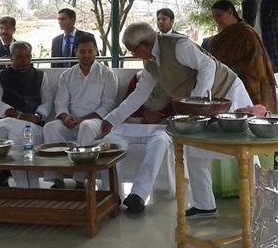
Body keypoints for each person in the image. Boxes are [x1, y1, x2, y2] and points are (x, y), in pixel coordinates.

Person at [101, 23, 253, 219]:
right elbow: (139, 95)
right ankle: (205, 206)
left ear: (145, 44)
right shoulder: (150, 63)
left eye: (133, 50)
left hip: (229, 92)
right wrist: (111, 120)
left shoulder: (178, 46)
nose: (133, 55)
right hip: (205, 104)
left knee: (245, 147)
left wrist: (196, 101)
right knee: (194, 148)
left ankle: (258, 197)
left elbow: (207, 65)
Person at [43, 34, 117, 188]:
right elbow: (60, 102)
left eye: (90, 51)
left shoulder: (107, 74)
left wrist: (82, 119)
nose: (86, 55)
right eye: (82, 51)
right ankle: (56, 179)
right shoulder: (67, 75)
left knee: (86, 126)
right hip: (72, 122)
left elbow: (107, 106)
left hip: (97, 123)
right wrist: (65, 118)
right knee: (50, 127)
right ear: (76, 52)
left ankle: (80, 179)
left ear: (96, 51)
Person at [102, 70, 174, 214]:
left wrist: (160, 116)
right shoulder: (139, 77)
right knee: (110, 141)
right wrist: (144, 114)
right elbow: (129, 102)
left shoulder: (176, 80)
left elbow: (178, 106)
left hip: (160, 127)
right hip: (131, 126)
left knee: (161, 141)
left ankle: (138, 195)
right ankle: (110, 194)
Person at [0, 41, 54, 188]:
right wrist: (17, 115)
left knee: (8, 130)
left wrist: (38, 116)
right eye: (19, 57)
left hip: (32, 125)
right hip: (11, 119)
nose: (24, 60)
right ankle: (27, 186)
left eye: (27, 57)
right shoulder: (1, 75)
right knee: (11, 131)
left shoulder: (40, 76)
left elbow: (47, 102)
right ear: (11, 57)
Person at [208, 0, 278, 113]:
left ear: (230, 12)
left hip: (247, 83)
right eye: (214, 16)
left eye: (219, 15)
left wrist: (231, 70)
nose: (216, 19)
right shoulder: (218, 38)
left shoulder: (247, 33)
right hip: (223, 82)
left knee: (252, 115)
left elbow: (257, 64)